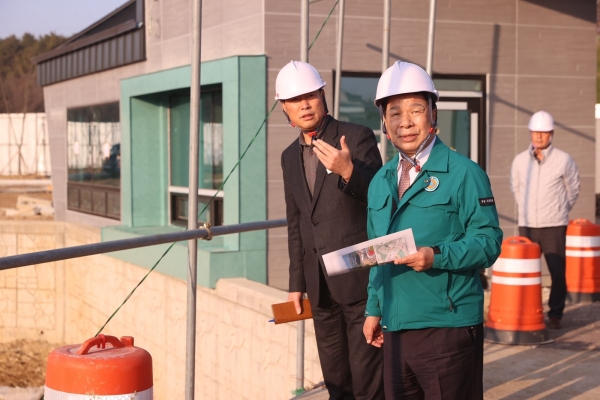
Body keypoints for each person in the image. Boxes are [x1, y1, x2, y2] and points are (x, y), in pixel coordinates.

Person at [362, 61, 503, 399]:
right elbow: (378, 249)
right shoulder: (380, 181)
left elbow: (489, 241)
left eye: (416, 110)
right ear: (383, 122)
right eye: (394, 113)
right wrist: (373, 308)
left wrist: (435, 256)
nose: (405, 122)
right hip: (396, 326)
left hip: (447, 326)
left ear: (433, 115)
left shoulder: (465, 173)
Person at [277, 60, 384, 399]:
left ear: (323, 96)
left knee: (368, 378)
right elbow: (296, 222)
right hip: (319, 285)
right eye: (295, 100)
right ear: (285, 109)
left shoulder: (356, 136)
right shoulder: (287, 157)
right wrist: (296, 283)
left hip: (360, 277)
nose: (305, 104)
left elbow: (381, 201)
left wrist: (348, 170)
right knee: (336, 381)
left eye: (311, 95)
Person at [510, 110, 580, 330]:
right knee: (526, 271)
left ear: (551, 134)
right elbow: (516, 188)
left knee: (557, 270)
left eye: (544, 132)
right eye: (535, 132)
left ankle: (556, 313)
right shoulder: (520, 161)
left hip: (554, 224)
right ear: (530, 133)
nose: (539, 136)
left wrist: (559, 209)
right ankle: (525, 311)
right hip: (528, 223)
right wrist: (526, 209)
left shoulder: (563, 160)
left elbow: (573, 189)